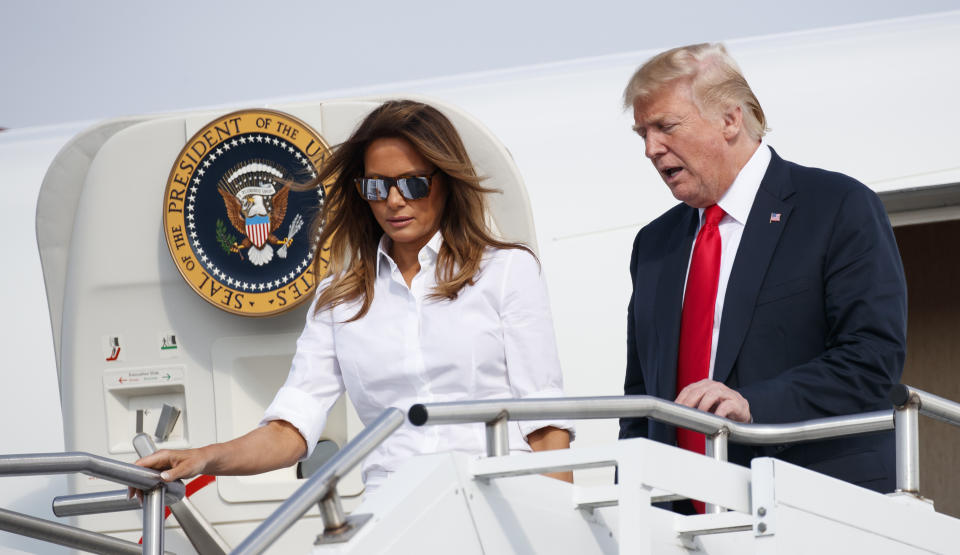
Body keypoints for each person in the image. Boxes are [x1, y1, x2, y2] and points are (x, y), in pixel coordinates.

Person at [137, 100, 573, 492]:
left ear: (447, 182)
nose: (395, 201)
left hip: (498, 496)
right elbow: (293, 427)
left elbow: (545, 420)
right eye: (377, 187)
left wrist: (558, 528)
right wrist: (206, 458)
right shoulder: (339, 299)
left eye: (413, 184)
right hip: (396, 507)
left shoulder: (505, 270)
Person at [618, 43, 907, 499]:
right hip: (677, 522)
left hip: (811, 503)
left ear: (730, 119)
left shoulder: (836, 207)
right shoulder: (654, 246)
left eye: (665, 127)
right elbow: (641, 400)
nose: (652, 149)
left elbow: (871, 359)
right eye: (642, 134)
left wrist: (755, 405)